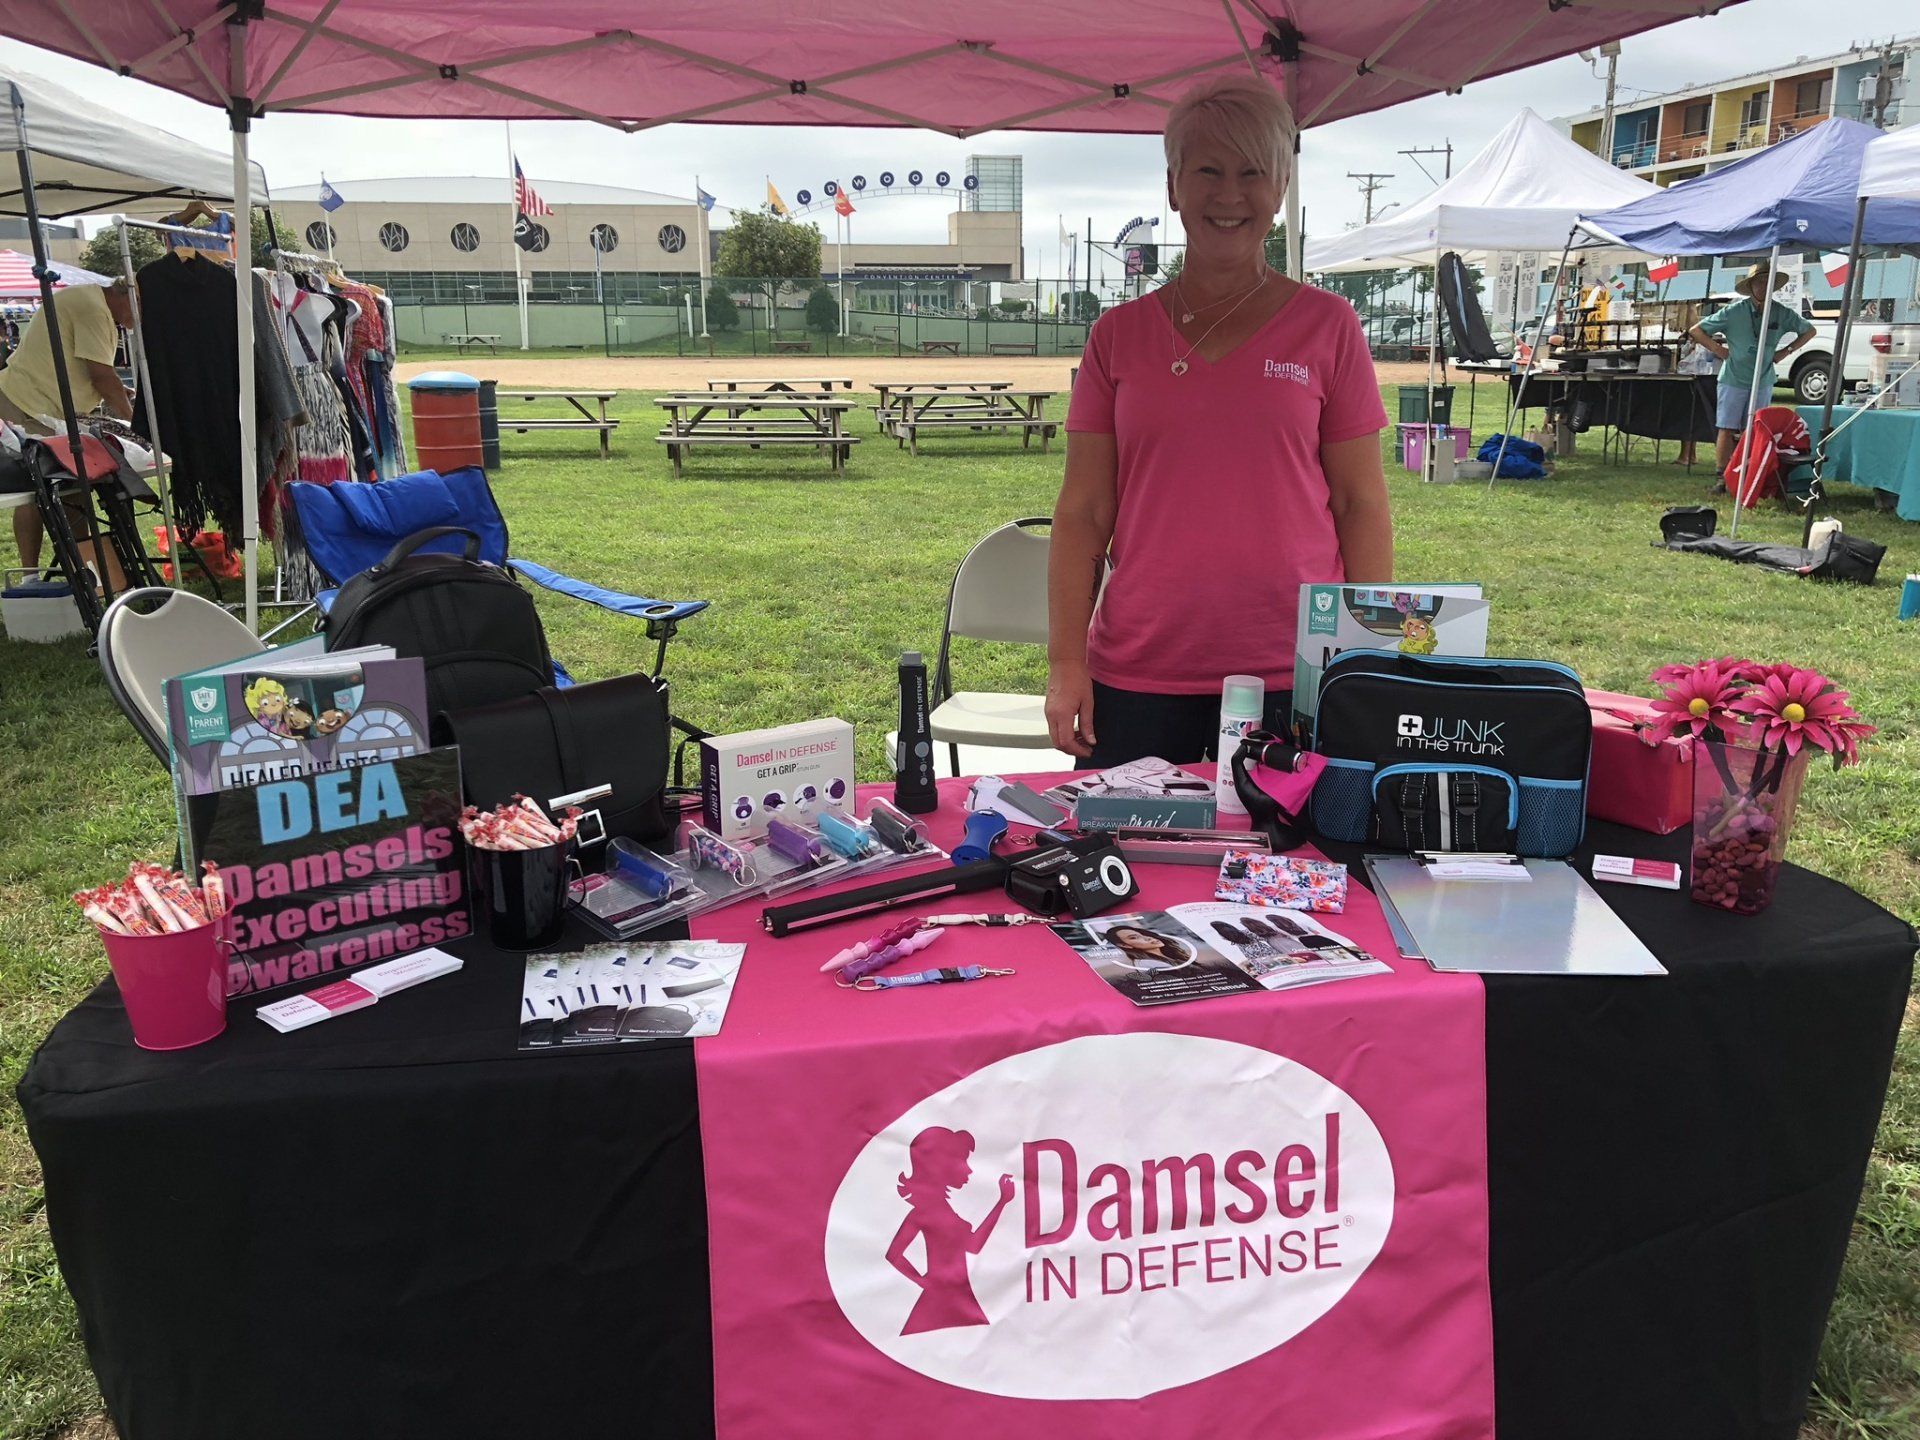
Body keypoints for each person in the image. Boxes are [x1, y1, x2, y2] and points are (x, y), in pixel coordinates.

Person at [1047, 74, 1393, 767]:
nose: (1230, 195)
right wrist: (1065, 663)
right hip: (1138, 673)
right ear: (1173, 186)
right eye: (1207, 171)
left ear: (1281, 187)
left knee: (1294, 844)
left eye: (1252, 173)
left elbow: (1359, 503)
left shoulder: (1328, 326)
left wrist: (1371, 661)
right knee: (1127, 841)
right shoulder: (1117, 337)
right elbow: (1084, 510)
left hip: (1296, 673)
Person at [0, 279, 136, 574]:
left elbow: (89, 371)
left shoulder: (91, 301)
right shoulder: (94, 309)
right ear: (129, 298)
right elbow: (102, 376)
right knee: (37, 486)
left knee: (70, 485)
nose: (138, 323)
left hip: (42, 404)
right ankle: (36, 576)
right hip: (27, 402)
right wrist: (135, 425)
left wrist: (115, 393)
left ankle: (85, 571)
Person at [1688, 264, 1815, 475]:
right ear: (1751, 286)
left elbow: (1809, 331)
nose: (1764, 286)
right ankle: (1722, 475)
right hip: (1733, 378)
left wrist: (1786, 351)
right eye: (1759, 282)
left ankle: (1749, 472)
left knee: (1756, 428)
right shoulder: (1733, 311)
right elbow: (1696, 330)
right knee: (1727, 427)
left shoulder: (1781, 312)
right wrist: (1718, 349)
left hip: (1763, 379)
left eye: (1768, 282)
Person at [885, 1126, 1014, 1336]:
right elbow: (894, 1254)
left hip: (957, 1297)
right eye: (962, 1162)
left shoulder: (941, 1210)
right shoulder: (924, 1212)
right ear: (939, 1166)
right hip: (943, 1301)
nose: (969, 1170)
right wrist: (924, 1282)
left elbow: (973, 1246)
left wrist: (1003, 1201)